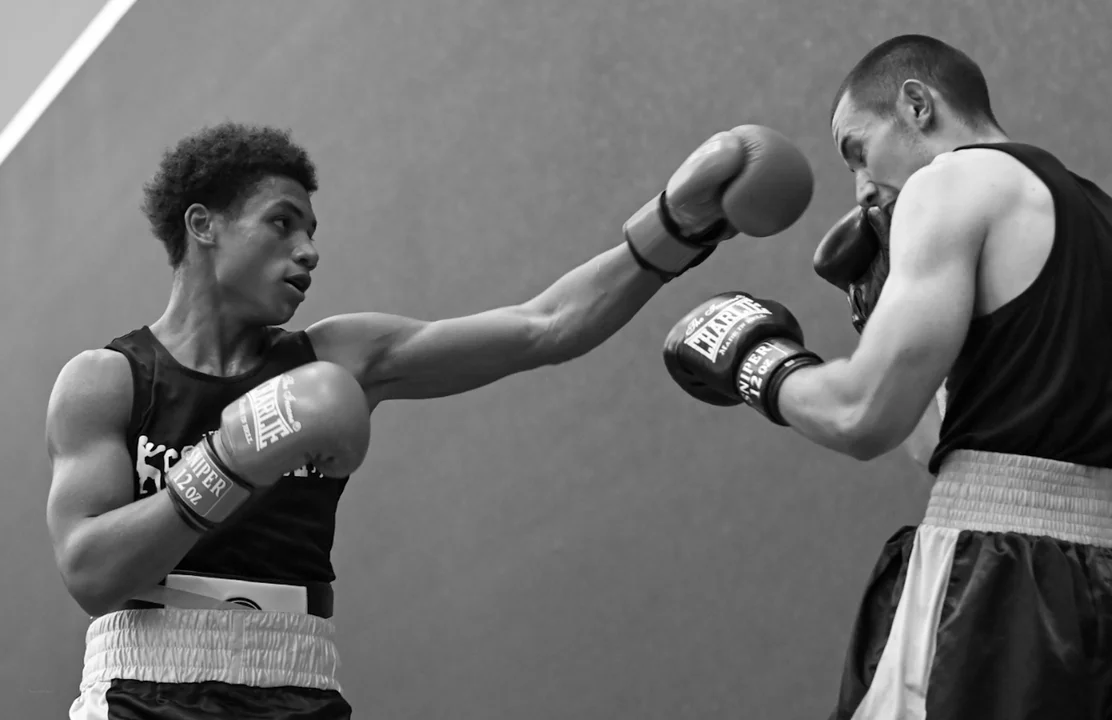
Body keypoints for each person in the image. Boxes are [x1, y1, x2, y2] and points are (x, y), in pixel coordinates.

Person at [46, 120, 813, 719]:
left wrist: (675, 226)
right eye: (283, 223)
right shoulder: (107, 381)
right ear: (203, 224)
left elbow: (545, 326)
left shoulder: (338, 356)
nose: (308, 251)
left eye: (313, 232)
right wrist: (229, 461)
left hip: (297, 679)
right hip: (143, 686)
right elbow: (91, 573)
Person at [661, 34, 1112, 719]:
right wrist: (877, 315)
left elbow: (861, 416)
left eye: (858, 151)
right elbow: (939, 447)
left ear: (916, 105)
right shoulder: (1095, 215)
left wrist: (753, 361)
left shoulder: (951, 182)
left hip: (994, 586)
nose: (863, 189)